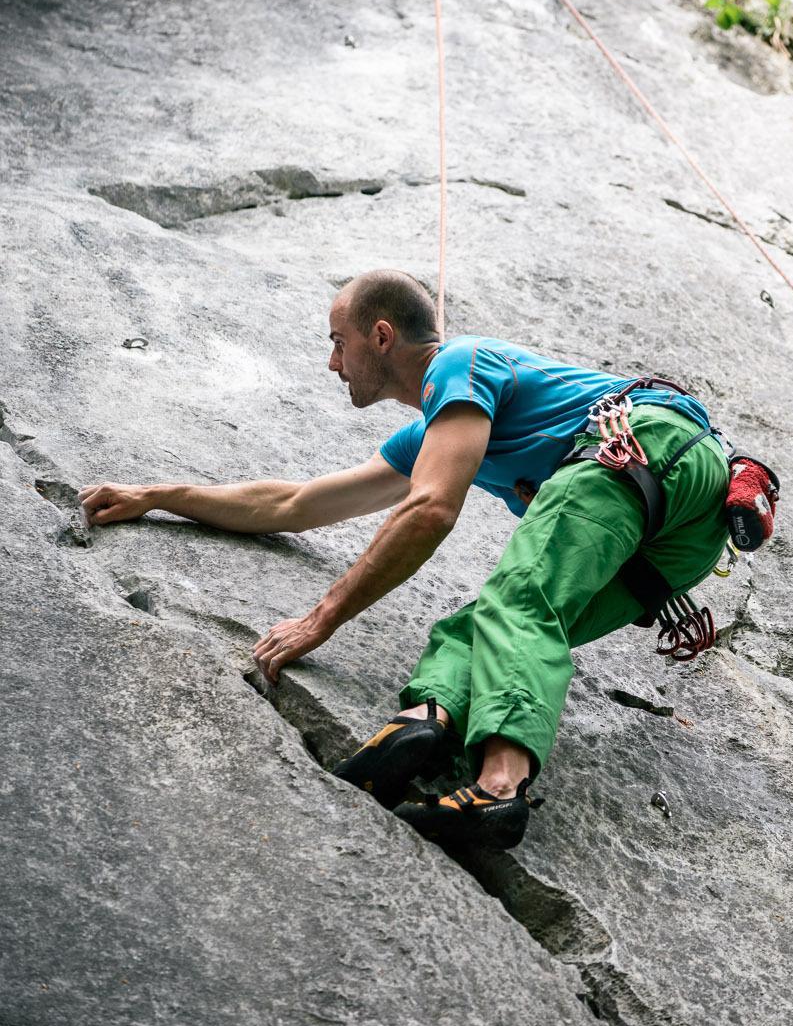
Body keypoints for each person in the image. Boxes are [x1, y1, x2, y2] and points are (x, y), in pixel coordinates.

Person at [79, 269, 729, 851]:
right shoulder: (429, 434)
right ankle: (423, 724)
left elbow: (430, 510)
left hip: (641, 447)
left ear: (382, 336)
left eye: (339, 342)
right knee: (481, 630)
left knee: (519, 601)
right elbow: (293, 504)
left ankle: (498, 790)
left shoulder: (460, 363)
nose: (333, 363)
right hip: (679, 543)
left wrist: (320, 619)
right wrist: (159, 496)